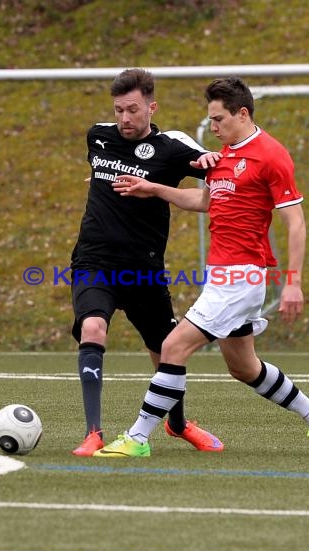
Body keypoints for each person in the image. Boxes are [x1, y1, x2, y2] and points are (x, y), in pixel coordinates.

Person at [94, 75, 309, 458]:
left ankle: (137, 438)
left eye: (219, 119)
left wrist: (293, 283)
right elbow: (203, 201)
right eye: (210, 119)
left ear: (242, 114)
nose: (213, 127)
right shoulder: (222, 156)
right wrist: (154, 188)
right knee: (244, 367)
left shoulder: (271, 155)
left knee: (172, 346)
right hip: (221, 277)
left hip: (242, 277)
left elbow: (296, 222)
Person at [70, 68, 224, 456]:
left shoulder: (172, 147)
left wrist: (202, 168)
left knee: (167, 350)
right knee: (93, 327)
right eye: (119, 109)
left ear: (151, 108)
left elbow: (217, 170)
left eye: (133, 110)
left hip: (144, 268)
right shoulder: (98, 135)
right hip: (95, 260)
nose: (125, 118)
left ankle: (177, 424)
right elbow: (100, 173)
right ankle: (94, 433)